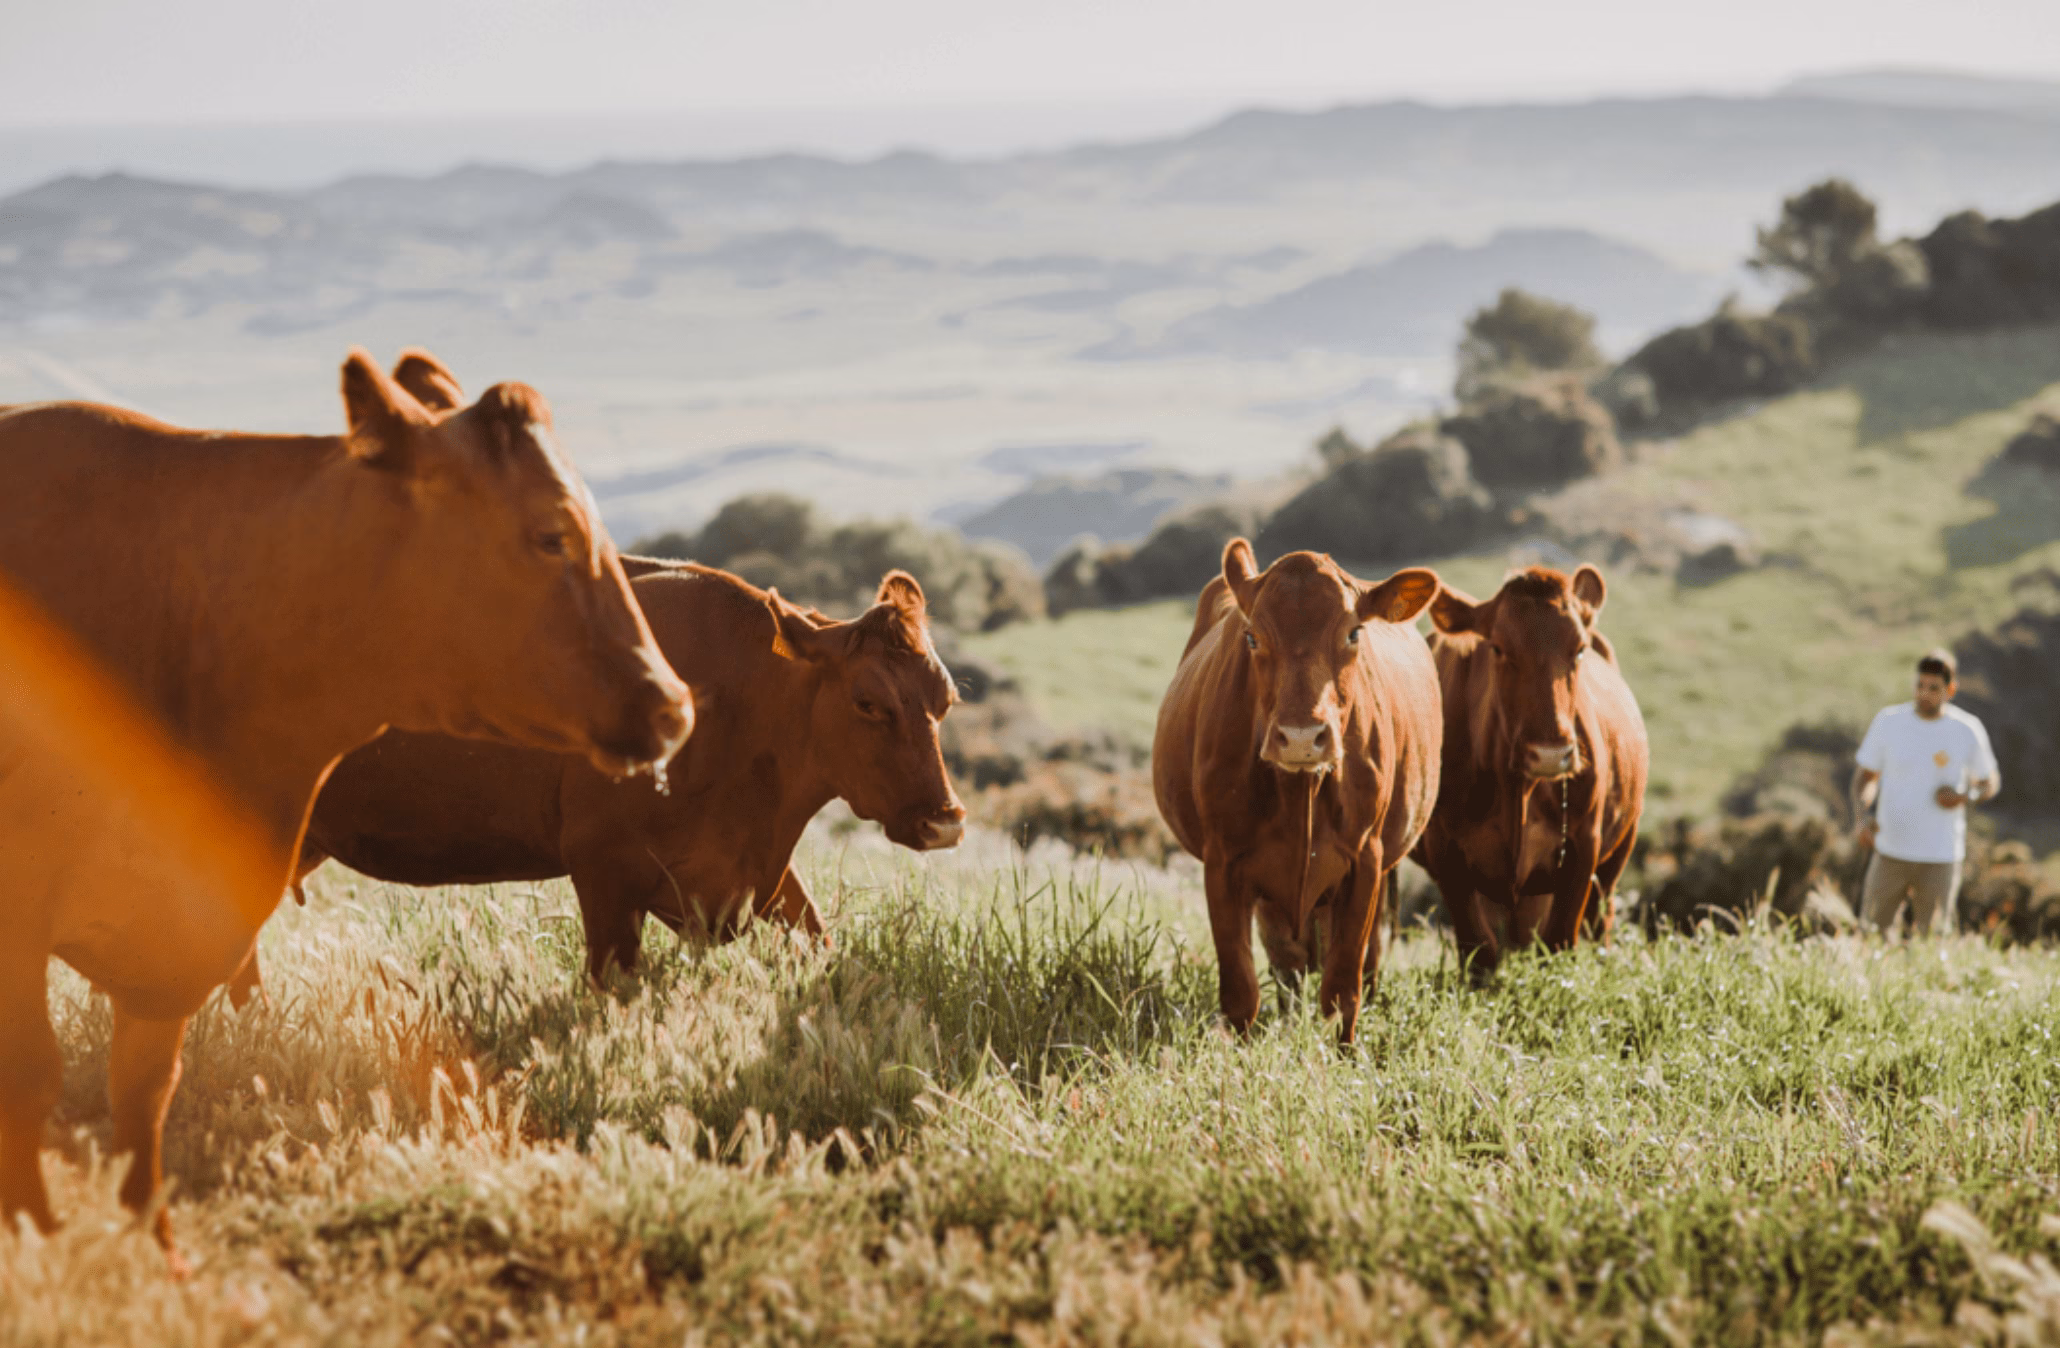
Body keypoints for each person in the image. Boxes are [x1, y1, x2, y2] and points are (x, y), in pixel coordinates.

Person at [1851, 649, 1999, 935]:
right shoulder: (1889, 722)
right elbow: (1865, 777)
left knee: (1931, 943)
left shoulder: (1966, 729)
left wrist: (1963, 796)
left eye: (1934, 688)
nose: (1924, 694)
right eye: (1920, 685)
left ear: (1951, 689)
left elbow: (1989, 781)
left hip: (1941, 856)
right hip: (1890, 850)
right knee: (1870, 935)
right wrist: (1861, 815)